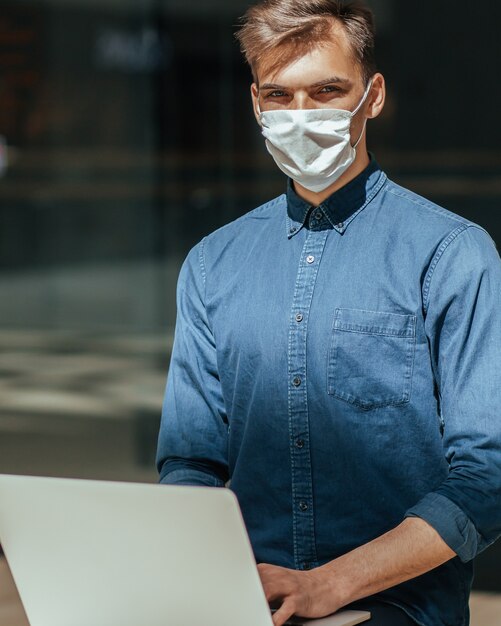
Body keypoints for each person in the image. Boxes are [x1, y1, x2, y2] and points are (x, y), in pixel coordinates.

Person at [156, 1, 501, 625]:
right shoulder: (212, 264)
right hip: (247, 609)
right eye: (279, 96)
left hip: (400, 612)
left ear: (373, 96)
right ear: (256, 104)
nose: (301, 116)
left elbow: (487, 477)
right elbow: (191, 463)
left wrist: (328, 585)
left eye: (326, 91)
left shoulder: (452, 255)